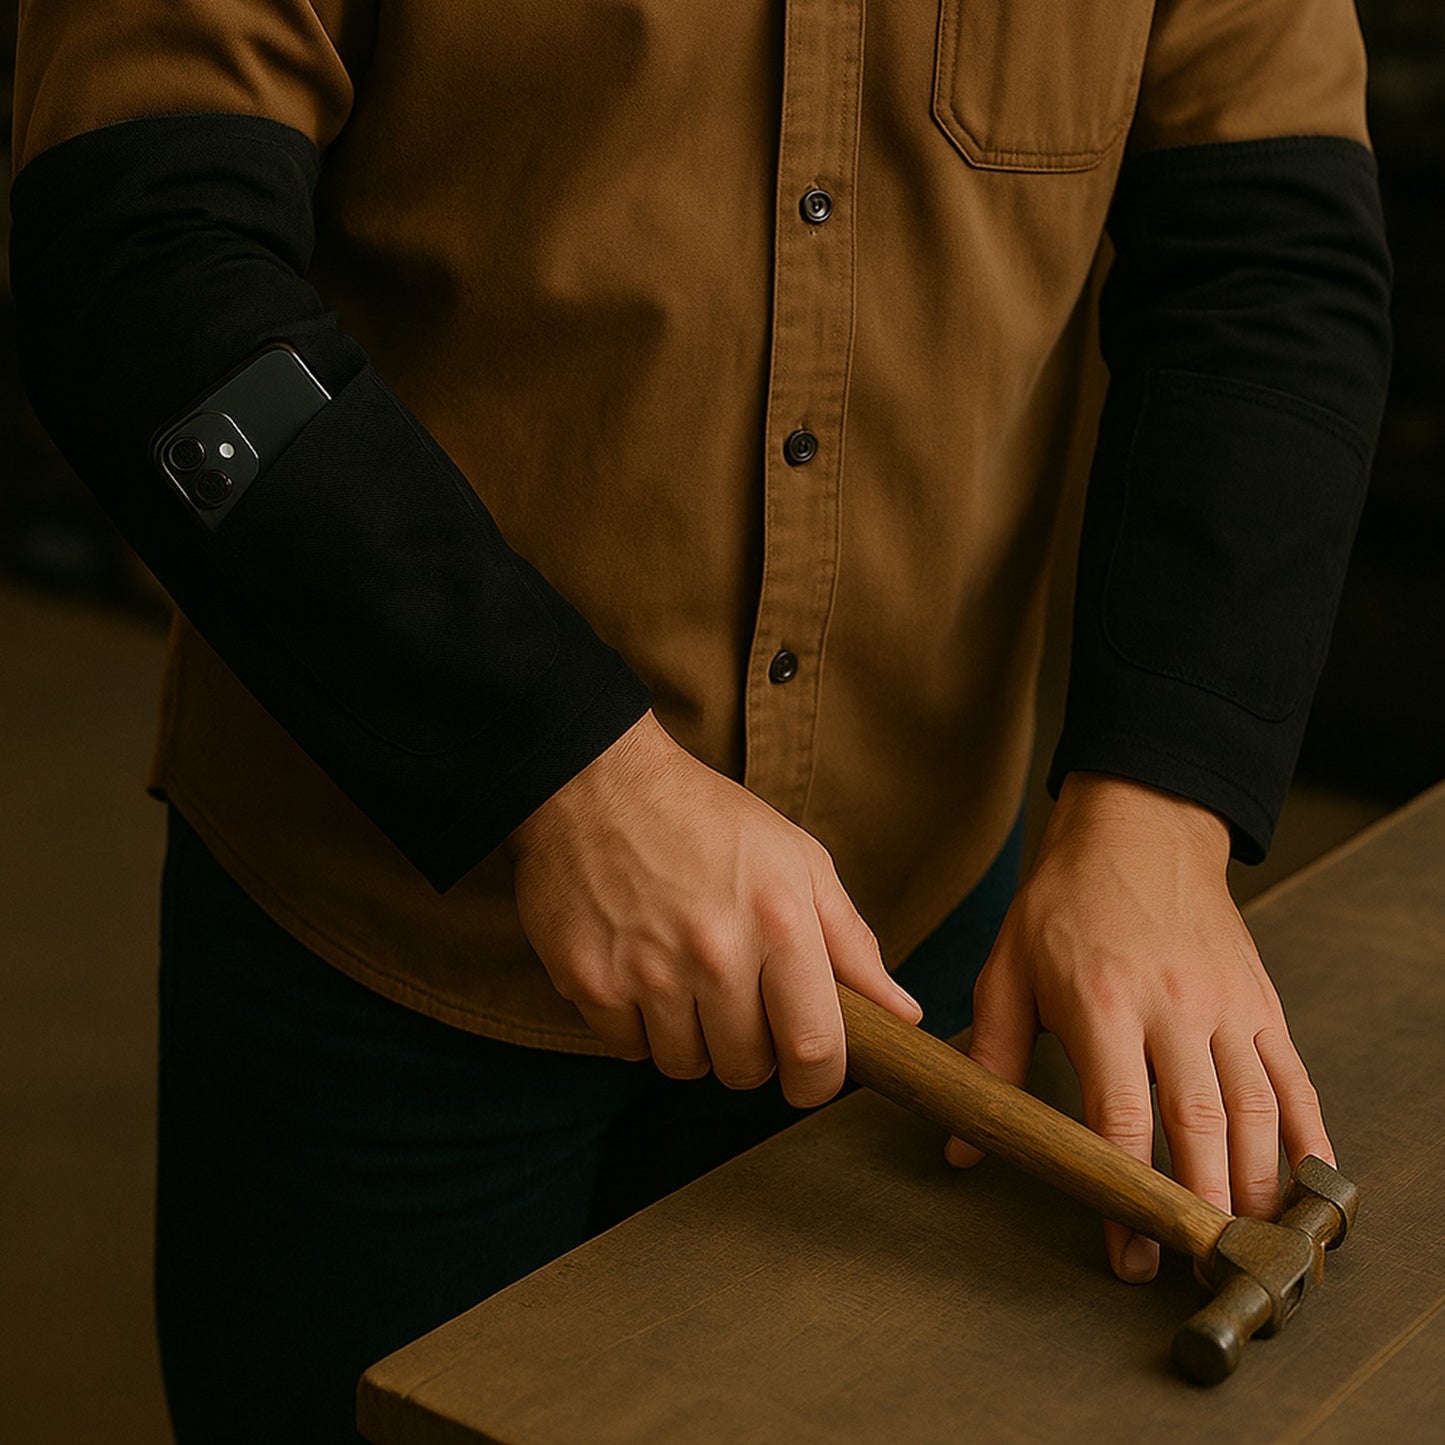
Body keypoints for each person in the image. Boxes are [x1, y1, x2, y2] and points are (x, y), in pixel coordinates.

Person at [10, 2, 1390, 1440]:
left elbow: (1270, 255)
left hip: (926, 923)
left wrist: (1155, 809)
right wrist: (565, 771)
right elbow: (138, 249)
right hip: (386, 946)